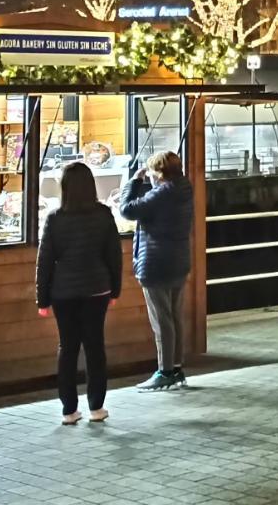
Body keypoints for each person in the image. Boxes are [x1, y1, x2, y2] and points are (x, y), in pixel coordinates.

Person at [36, 161, 123, 424]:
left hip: (63, 292)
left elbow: (45, 260)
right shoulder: (104, 214)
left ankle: (69, 410)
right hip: (97, 289)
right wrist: (115, 290)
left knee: (68, 347)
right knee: (95, 347)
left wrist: (42, 299)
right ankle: (96, 407)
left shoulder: (55, 218)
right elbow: (114, 256)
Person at [117, 149, 194, 391]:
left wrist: (133, 181)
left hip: (156, 262)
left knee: (161, 320)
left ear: (160, 173)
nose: (149, 175)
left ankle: (165, 371)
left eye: (152, 171)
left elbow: (127, 210)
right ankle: (177, 366)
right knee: (174, 317)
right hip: (178, 260)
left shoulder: (161, 194)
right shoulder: (184, 189)